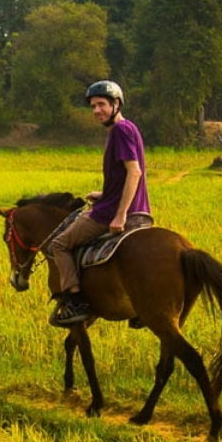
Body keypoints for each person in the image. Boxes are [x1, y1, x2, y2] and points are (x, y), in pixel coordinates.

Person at [49, 80, 151, 327]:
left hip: (112, 214)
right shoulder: (129, 128)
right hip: (135, 209)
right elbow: (123, 176)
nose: (96, 111)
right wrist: (104, 194)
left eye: (101, 105)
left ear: (116, 104)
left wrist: (120, 215)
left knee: (59, 244)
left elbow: (134, 172)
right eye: (93, 106)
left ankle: (75, 300)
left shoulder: (120, 131)